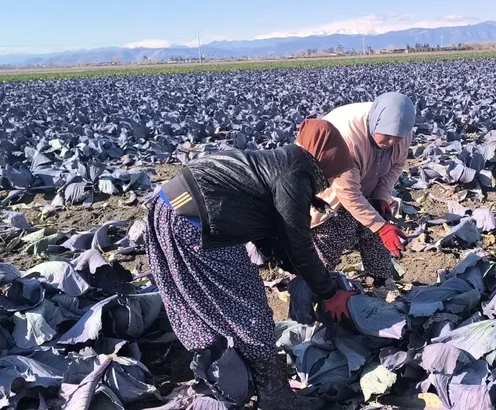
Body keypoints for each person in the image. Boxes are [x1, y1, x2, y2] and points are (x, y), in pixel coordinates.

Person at [145, 119, 355, 410]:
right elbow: (298, 243)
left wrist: (303, 276)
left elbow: (271, 234)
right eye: (333, 173)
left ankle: (230, 372)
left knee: (201, 301)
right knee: (248, 306)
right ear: (326, 160)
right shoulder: (296, 172)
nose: (331, 182)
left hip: (168, 208)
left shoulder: (283, 159)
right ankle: (275, 395)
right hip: (198, 223)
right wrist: (329, 291)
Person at [310, 92, 416, 287]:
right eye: (388, 136)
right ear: (375, 123)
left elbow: (396, 165)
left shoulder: (403, 132)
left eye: (397, 137)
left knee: (379, 232)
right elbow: (347, 193)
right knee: (330, 237)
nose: (392, 142)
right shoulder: (347, 138)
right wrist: (381, 227)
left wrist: (382, 196)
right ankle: (317, 292)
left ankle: (381, 284)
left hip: (365, 186)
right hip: (330, 193)